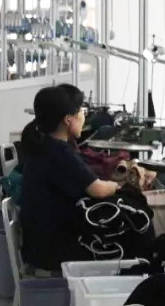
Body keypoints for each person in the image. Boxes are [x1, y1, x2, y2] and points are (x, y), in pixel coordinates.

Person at [19, 85, 120, 272]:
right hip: (54, 251)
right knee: (127, 242)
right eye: (81, 111)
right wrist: (118, 186)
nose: (84, 116)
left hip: (39, 245)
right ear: (68, 119)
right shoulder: (59, 152)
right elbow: (97, 189)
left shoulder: (44, 146)